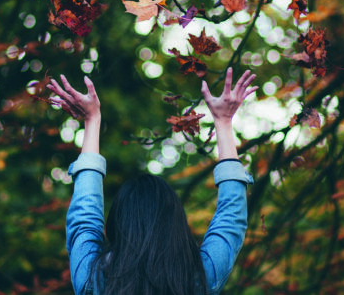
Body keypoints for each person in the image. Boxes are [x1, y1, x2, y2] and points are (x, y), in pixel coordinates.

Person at [47, 67, 258, 295]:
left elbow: (84, 218)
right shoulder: (200, 276)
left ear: (118, 224)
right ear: (176, 223)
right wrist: (223, 122)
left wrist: (92, 120)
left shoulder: (93, 278)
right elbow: (231, 218)